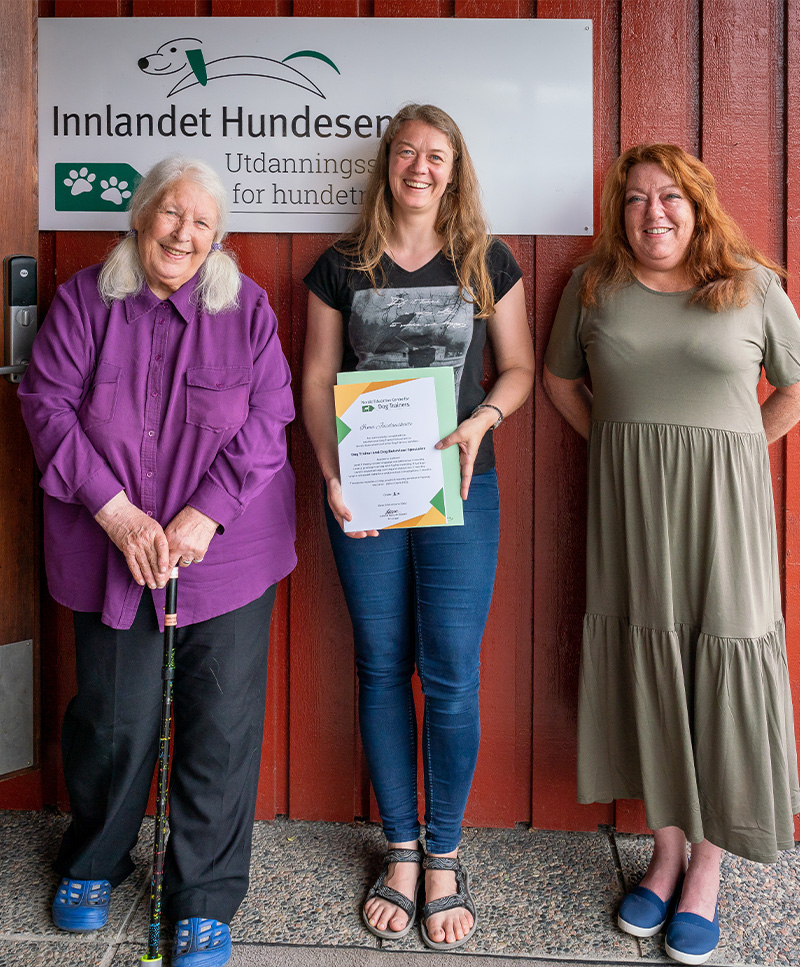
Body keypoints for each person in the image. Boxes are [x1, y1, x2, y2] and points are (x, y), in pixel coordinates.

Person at [19, 156, 296, 967]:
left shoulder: (246, 308)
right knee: (114, 716)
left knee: (220, 722)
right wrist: (114, 509)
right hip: (112, 545)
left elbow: (270, 416)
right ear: (141, 218)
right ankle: (96, 858)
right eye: (171, 215)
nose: (184, 233)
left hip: (225, 547)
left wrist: (205, 512)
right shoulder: (83, 300)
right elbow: (45, 403)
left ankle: (202, 897)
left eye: (202, 223)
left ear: (219, 239)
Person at [543, 143, 800, 965]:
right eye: (637, 199)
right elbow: (558, 382)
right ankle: (664, 853)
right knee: (650, 659)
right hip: (631, 514)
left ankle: (708, 871)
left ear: (699, 204)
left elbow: (796, 383)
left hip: (728, 516)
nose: (654, 212)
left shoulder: (753, 285)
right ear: (620, 212)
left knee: (720, 661)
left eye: (671, 197)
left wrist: (740, 451)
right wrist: (616, 449)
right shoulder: (594, 286)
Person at [302, 103, 534, 950]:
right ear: (387, 165)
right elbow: (317, 379)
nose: (420, 166)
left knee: (452, 674)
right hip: (364, 495)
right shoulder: (340, 265)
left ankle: (444, 852)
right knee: (379, 664)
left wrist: (479, 424)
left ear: (455, 168)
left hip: (462, 491)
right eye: (407, 151)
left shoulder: (487, 260)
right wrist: (331, 475)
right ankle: (399, 847)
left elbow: (518, 368)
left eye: (436, 154)